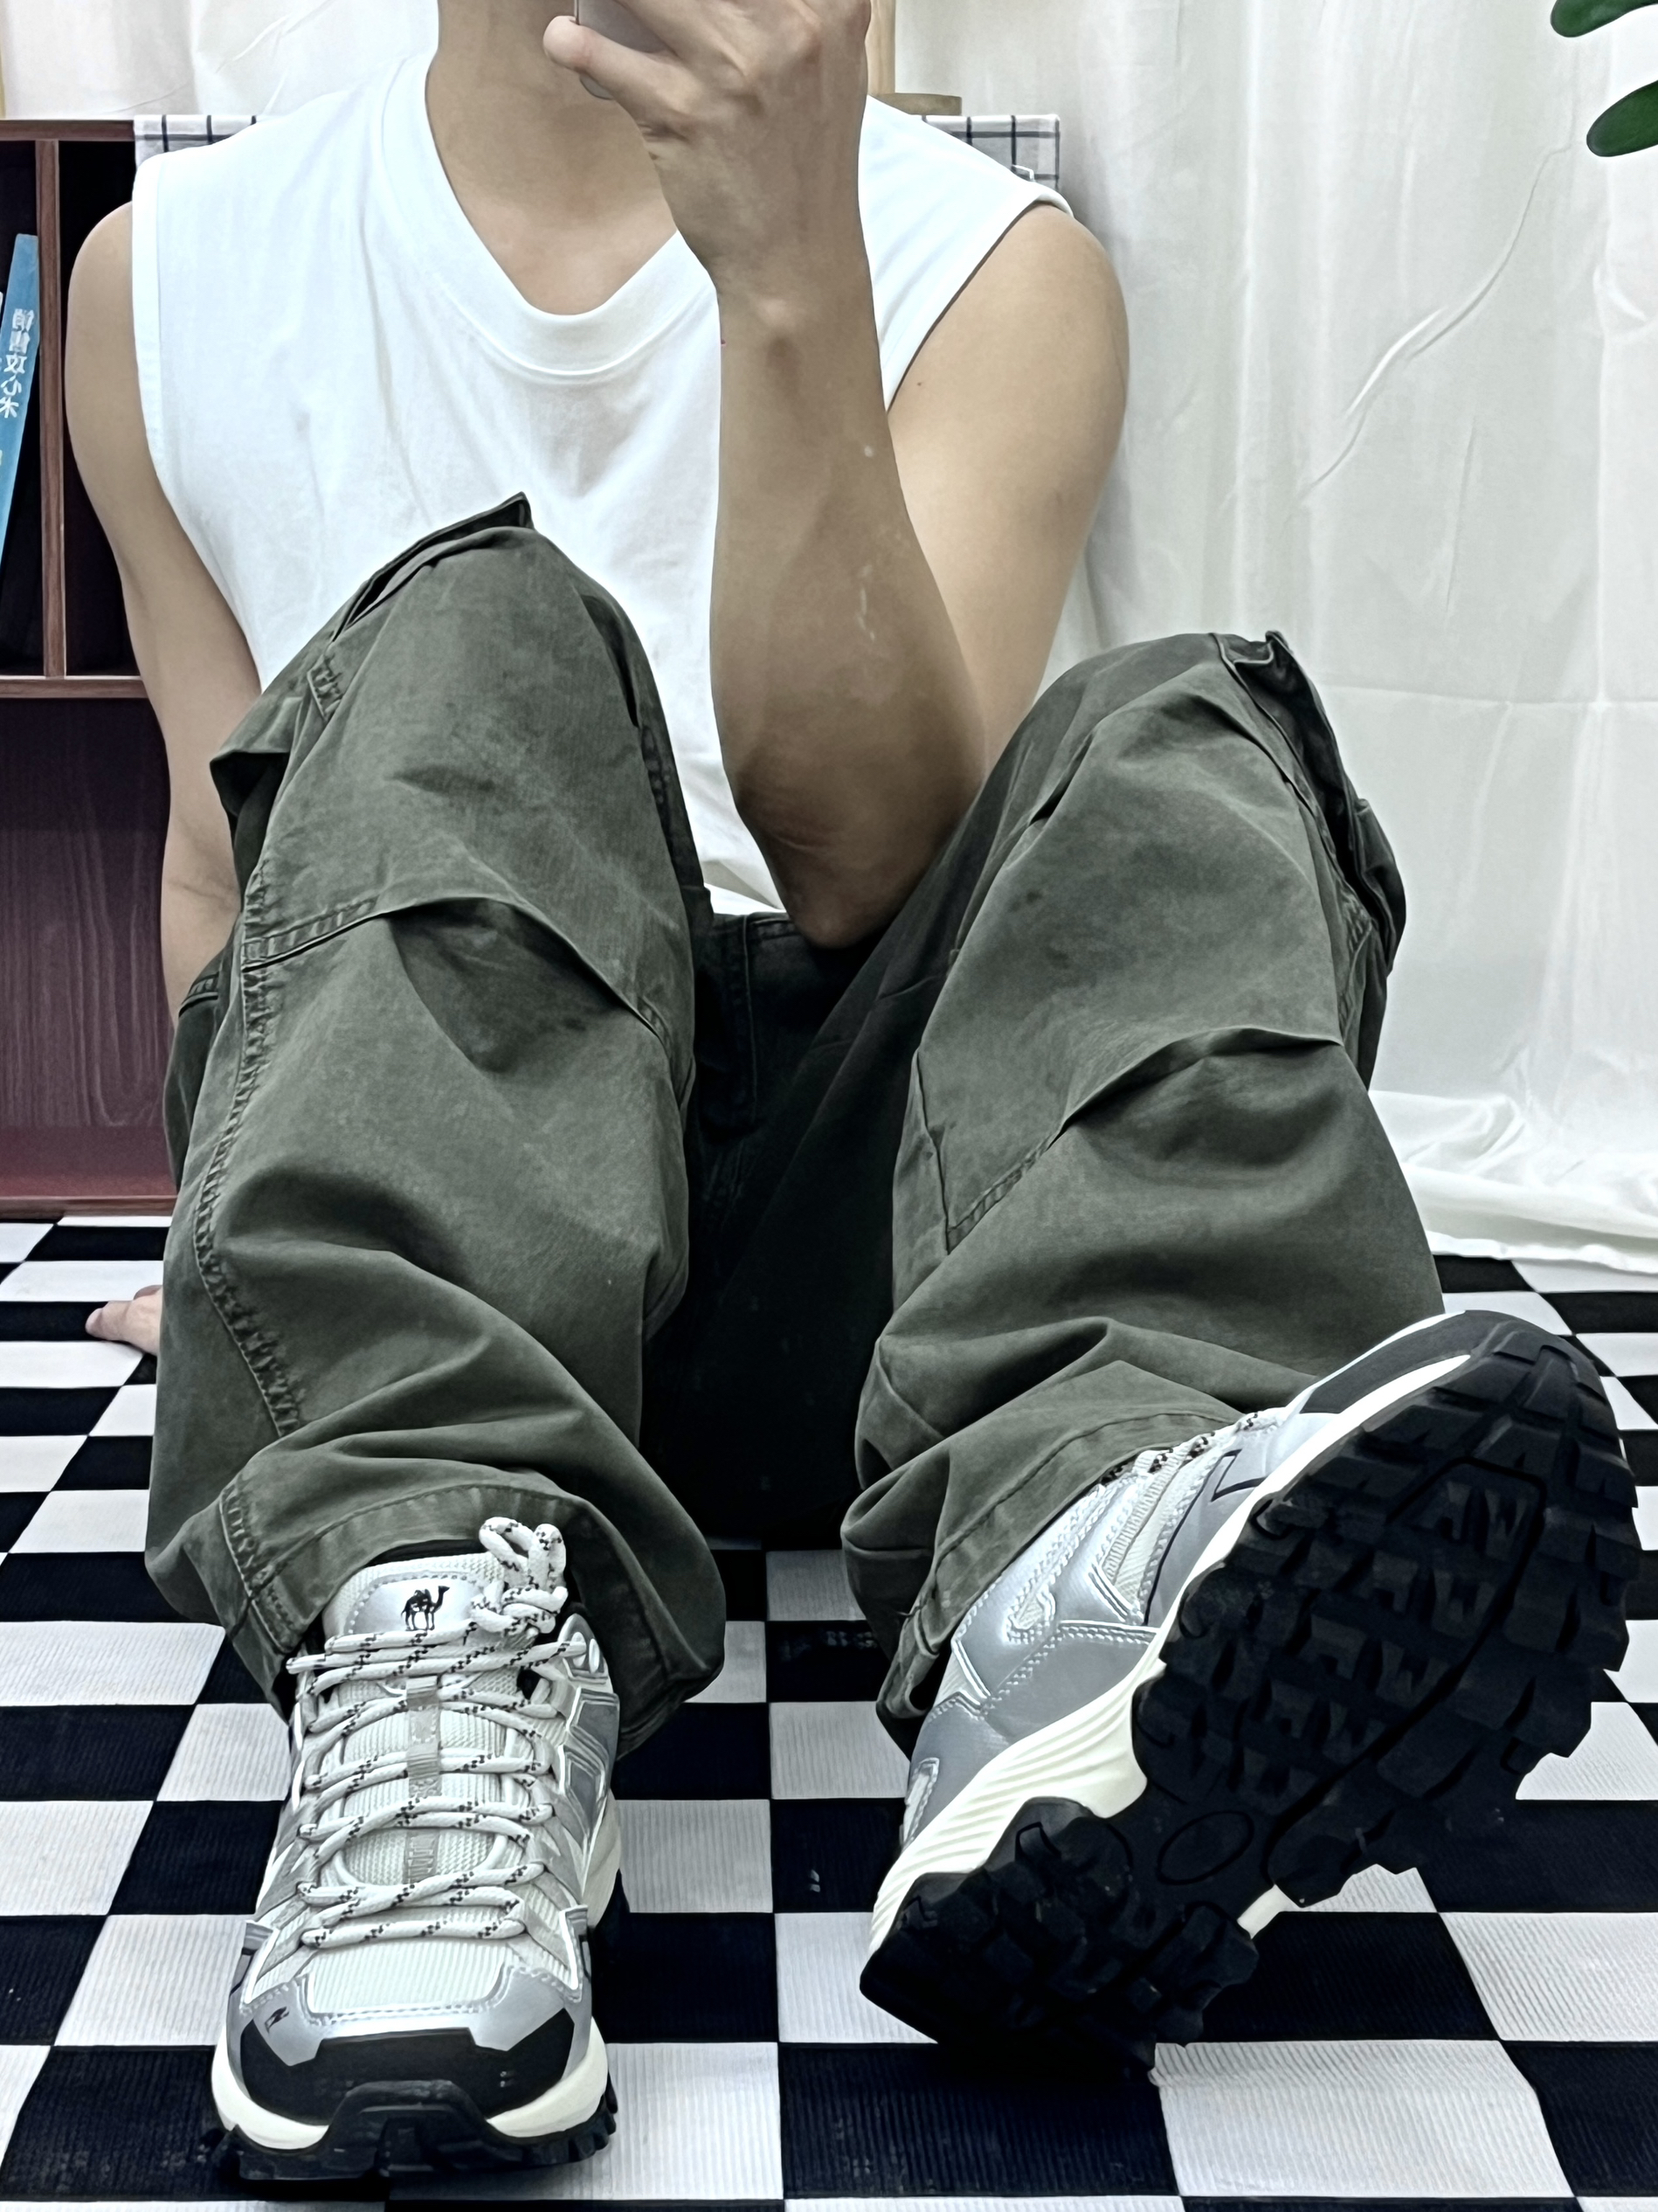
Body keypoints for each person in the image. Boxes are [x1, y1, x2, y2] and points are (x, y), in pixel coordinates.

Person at [66, 0, 1639, 2186]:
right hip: (462, 1255)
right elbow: (220, 862)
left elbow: (872, 863)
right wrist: (244, 1244)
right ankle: (424, 1608)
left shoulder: (992, 263)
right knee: (462, 630)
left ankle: (1081, 1572)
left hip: (887, 1273)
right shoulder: (162, 274)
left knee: (1181, 724)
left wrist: (790, 278)